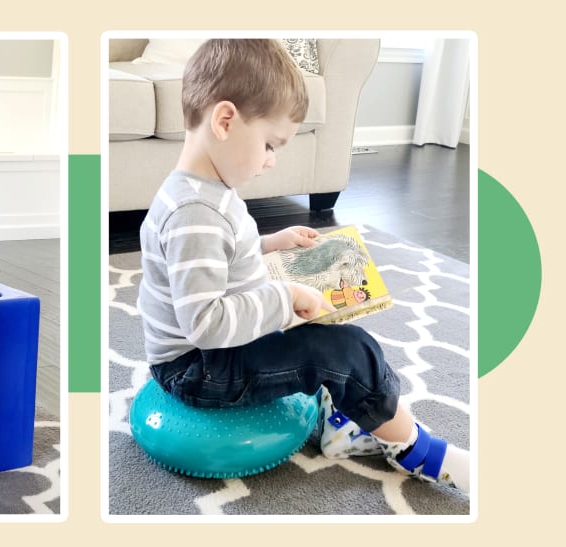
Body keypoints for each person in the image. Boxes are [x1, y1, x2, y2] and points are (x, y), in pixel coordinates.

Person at [137, 39, 469, 494]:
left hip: (212, 351)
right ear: (226, 120)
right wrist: (284, 298)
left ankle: (340, 424)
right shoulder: (195, 213)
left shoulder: (203, 191)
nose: (271, 161)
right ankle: (414, 450)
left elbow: (221, 254)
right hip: (199, 368)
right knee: (348, 353)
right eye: (270, 144)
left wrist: (271, 244)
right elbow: (205, 324)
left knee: (321, 327)